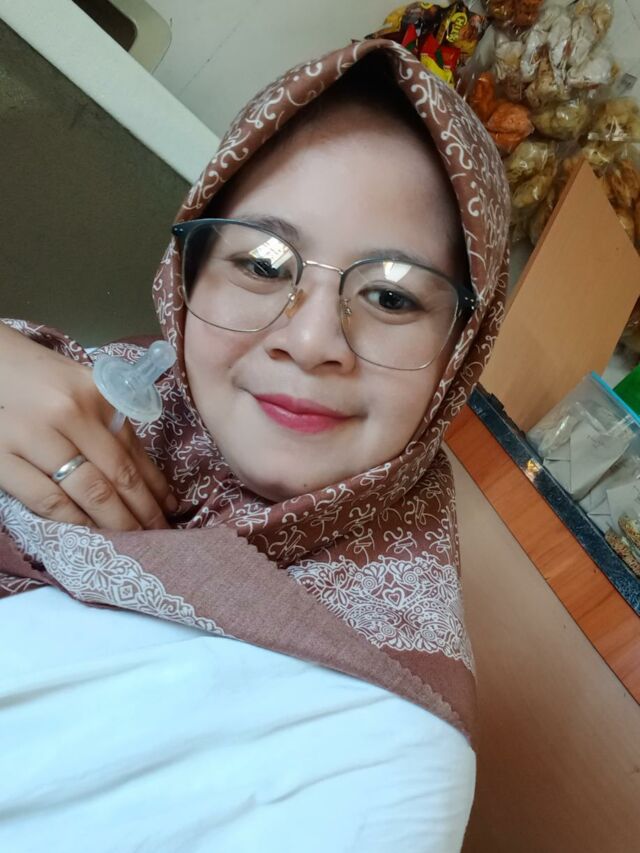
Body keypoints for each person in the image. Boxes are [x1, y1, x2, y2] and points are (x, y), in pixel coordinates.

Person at [0, 41, 509, 853]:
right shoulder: (67, 386)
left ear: (459, 355)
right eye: (263, 264)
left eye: (389, 296)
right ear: (189, 273)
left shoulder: (382, 755)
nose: (311, 342)